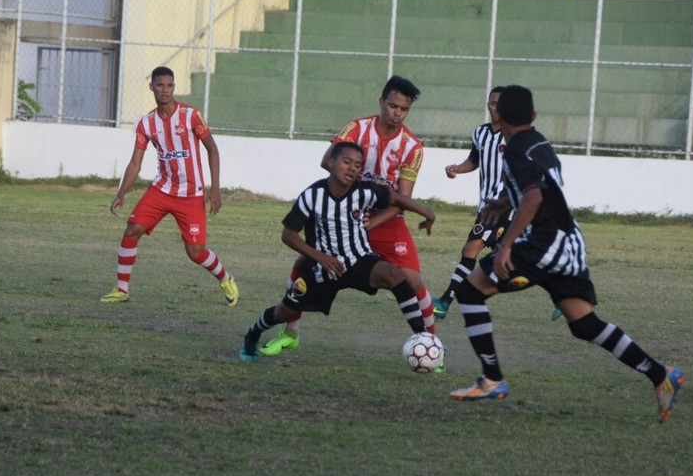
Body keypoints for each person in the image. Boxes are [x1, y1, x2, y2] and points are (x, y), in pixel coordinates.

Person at [447, 85, 684, 424]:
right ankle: (661, 374)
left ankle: (492, 378)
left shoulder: (514, 150)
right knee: (584, 324)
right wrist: (504, 202)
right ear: (533, 117)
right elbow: (543, 188)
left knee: (470, 290)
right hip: (569, 242)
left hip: (541, 244)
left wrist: (508, 244)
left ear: (498, 116)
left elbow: (534, 198)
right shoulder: (540, 142)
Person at [260, 76, 442, 366]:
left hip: (385, 216)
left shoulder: (413, 147)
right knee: (302, 265)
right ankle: (290, 332)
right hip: (345, 212)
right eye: (393, 105)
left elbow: (400, 200)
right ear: (382, 102)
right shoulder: (356, 129)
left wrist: (370, 224)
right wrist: (355, 191)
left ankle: (432, 345)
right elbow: (326, 162)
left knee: (413, 280)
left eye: (404, 109)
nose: (397, 113)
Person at [239, 141, 436, 362]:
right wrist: (320, 258)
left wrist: (428, 213)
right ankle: (252, 334)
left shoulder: (365, 192)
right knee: (285, 312)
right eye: (347, 162)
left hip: (359, 260)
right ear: (331, 162)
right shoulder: (312, 196)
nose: (352, 168)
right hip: (322, 269)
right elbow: (288, 234)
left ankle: (423, 337)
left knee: (395, 275)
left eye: (358, 165)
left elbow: (396, 197)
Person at [101, 66, 239, 307]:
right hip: (162, 189)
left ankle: (225, 278)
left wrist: (214, 187)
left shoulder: (190, 116)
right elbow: (135, 163)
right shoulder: (146, 124)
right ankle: (122, 289)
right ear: (152, 87)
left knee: (195, 252)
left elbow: (212, 149)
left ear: (173, 87)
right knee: (132, 229)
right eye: (160, 85)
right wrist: (121, 193)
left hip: (192, 194)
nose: (165, 90)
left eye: (169, 85)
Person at [435, 87, 562, 322]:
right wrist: (457, 169)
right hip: (487, 205)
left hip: (503, 206)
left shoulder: (517, 137)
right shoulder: (481, 134)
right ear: (488, 106)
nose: (497, 108)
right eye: (493, 103)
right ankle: (560, 293)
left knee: (470, 250)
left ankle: (444, 302)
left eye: (501, 104)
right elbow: (474, 160)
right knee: (512, 260)